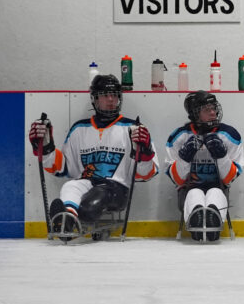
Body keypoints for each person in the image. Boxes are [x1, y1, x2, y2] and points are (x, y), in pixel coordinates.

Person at [28, 74, 157, 236]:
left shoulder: (133, 128)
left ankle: (74, 216)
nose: (111, 99)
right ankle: (66, 219)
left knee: (93, 201)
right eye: (105, 95)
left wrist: (144, 153)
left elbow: (146, 174)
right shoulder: (79, 129)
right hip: (88, 182)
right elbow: (63, 168)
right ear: (95, 99)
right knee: (71, 186)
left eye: (114, 95)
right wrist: (46, 148)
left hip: (116, 188)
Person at [165, 91, 244, 242]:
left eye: (213, 108)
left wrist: (222, 157)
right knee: (194, 192)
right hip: (188, 192)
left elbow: (228, 180)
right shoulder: (179, 136)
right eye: (206, 109)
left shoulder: (230, 134)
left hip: (219, 190)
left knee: (215, 191)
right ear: (195, 113)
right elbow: (177, 180)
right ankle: (197, 221)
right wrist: (184, 158)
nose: (213, 112)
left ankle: (212, 222)